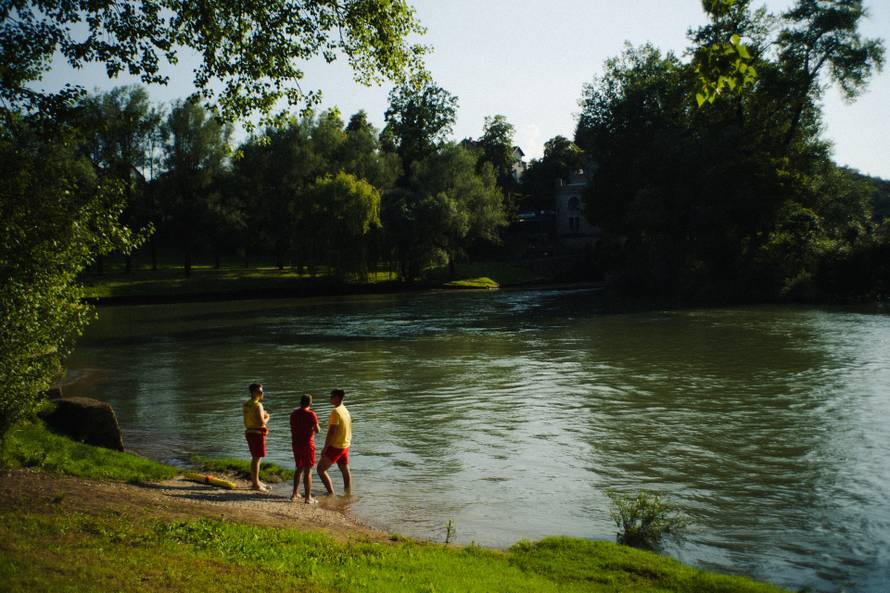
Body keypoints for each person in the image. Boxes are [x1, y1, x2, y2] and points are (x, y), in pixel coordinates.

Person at [317, 388, 352, 496]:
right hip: (345, 445)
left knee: (320, 470)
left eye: (332, 396)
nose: (330, 398)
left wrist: (325, 448)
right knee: (345, 470)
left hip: (336, 446)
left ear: (337, 397)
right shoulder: (345, 410)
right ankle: (348, 494)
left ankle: (331, 494)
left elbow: (332, 431)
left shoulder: (335, 411)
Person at [289, 393, 320, 503]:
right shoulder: (311, 414)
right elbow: (317, 430)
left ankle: (294, 494)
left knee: (299, 468)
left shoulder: (294, 413)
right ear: (310, 402)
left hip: (296, 444)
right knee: (308, 470)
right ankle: (308, 497)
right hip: (307, 445)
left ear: (300, 402)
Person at [243, 382, 270, 491]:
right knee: (256, 459)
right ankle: (256, 485)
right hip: (257, 433)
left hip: (249, 432)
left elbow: (252, 417)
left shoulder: (246, 404)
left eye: (262, 391)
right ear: (253, 392)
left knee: (255, 458)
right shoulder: (258, 405)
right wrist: (267, 417)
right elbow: (261, 423)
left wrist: (262, 414)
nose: (262, 393)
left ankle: (256, 481)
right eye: (259, 391)